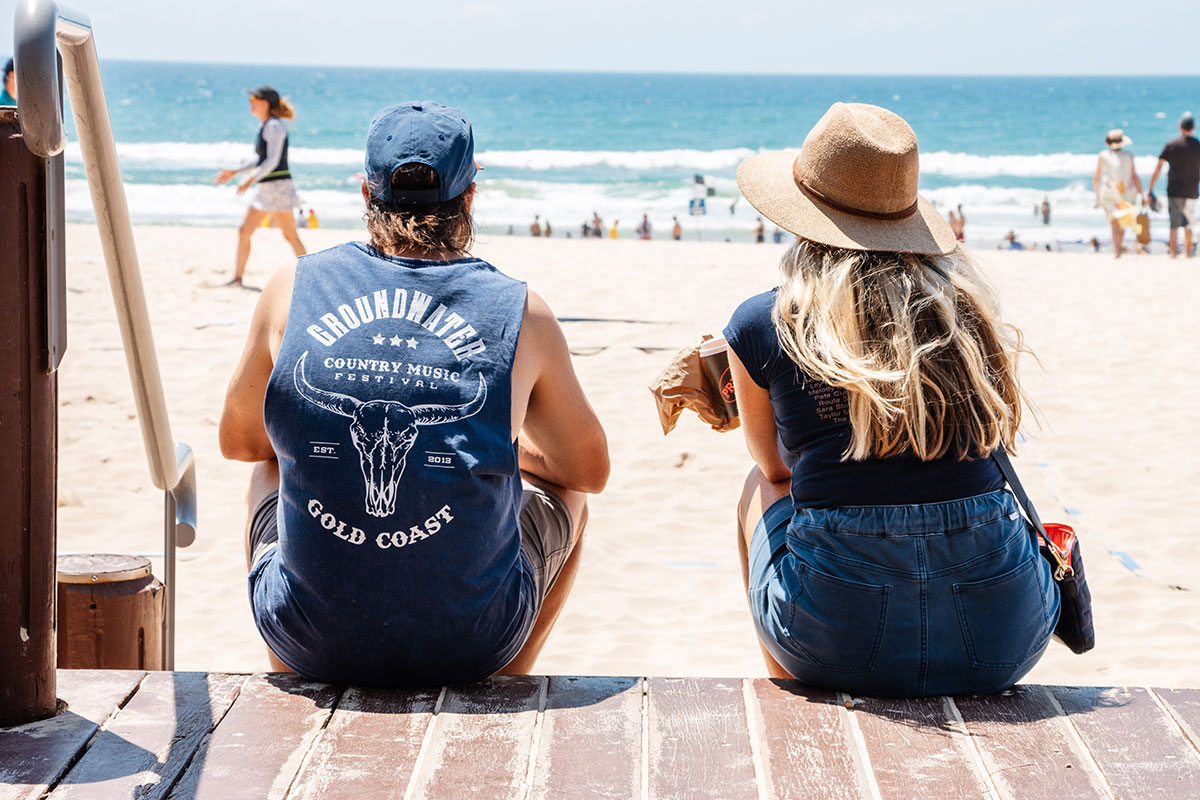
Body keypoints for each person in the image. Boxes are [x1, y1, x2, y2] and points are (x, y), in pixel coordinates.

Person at [218, 100, 609, 686]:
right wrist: (506, 451)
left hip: (307, 640)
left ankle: (301, 661)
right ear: (471, 196)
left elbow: (240, 441)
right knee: (568, 498)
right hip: (473, 647)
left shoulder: (290, 287)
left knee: (270, 466)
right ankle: (502, 681)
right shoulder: (522, 310)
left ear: (366, 194)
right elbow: (588, 470)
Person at [725, 102, 1057, 697]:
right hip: (1004, 638)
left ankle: (790, 684)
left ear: (803, 215)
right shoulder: (964, 317)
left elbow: (777, 466)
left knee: (758, 485)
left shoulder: (761, 321)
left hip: (839, 640)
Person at [214, 86, 307, 286]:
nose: (250, 102)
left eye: (253, 98)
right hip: (267, 188)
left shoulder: (274, 126)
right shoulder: (266, 126)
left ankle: (312, 277)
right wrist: (235, 171)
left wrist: (250, 179)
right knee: (245, 231)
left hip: (278, 187)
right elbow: (260, 158)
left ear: (264, 102)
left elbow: (272, 160)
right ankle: (238, 278)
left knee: (290, 235)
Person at [1146, 112, 1200, 259]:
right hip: (1192, 191)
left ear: (1180, 127)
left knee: (1174, 224)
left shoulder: (1171, 145)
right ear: (1193, 127)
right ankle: (1188, 254)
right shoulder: (1197, 145)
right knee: (1188, 224)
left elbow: (1158, 167)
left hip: (1174, 189)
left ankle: (1173, 254)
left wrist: (1150, 188)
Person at [1092, 129, 1143, 259]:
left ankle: (1117, 251)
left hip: (1110, 193)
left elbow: (1097, 177)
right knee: (1121, 223)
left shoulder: (1103, 155)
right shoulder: (1129, 155)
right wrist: (1142, 193)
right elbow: (1135, 176)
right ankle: (1118, 250)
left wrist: (1097, 194)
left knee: (1115, 223)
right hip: (1126, 192)